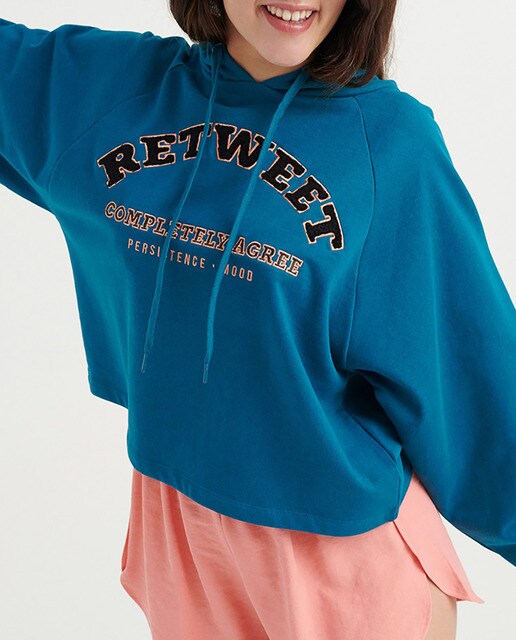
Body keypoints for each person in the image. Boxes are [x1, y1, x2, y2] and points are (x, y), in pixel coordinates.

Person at [1, 1, 514, 638]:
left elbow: (472, 372)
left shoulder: (389, 144)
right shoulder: (115, 92)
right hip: (185, 542)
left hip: (344, 567)